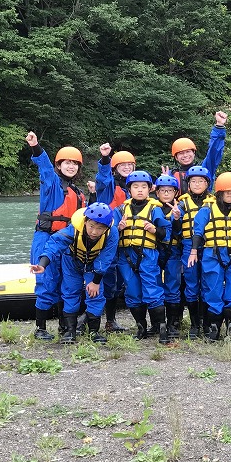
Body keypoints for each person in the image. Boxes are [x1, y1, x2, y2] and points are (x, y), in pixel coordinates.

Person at [25, 131, 86, 340]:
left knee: (67, 284)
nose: (71, 166)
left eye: (74, 163)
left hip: (68, 241)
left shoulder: (78, 192)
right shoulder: (52, 183)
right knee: (47, 282)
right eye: (66, 163)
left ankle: (64, 326)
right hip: (46, 238)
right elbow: (45, 168)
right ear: (59, 165)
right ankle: (40, 328)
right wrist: (36, 147)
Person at [29, 203, 119, 344]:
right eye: (91, 226)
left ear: (106, 228)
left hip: (93, 265)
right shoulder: (73, 229)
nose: (94, 232)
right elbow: (54, 245)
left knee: (96, 295)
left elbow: (106, 258)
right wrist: (43, 264)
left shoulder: (112, 233)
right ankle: (70, 331)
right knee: (70, 292)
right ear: (85, 222)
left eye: (100, 228)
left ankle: (94, 332)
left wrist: (95, 281)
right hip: (72, 262)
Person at [187, 172, 231, 340]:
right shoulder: (206, 209)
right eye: (225, 191)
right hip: (212, 254)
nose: (229, 194)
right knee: (213, 291)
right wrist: (193, 251)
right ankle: (213, 329)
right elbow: (198, 231)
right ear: (219, 192)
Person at [113, 170, 172, 343]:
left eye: (144, 187)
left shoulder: (155, 209)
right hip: (126, 255)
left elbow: (166, 233)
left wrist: (154, 230)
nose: (140, 190)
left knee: (152, 290)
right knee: (132, 291)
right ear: (129, 189)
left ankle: (161, 327)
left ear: (150, 189)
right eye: (136, 187)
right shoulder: (120, 210)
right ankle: (141, 327)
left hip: (147, 254)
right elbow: (109, 235)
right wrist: (118, 229)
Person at [94, 145, 136, 333]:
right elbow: (102, 179)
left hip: (127, 242)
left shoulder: (135, 189)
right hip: (109, 240)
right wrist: (105, 159)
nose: (127, 168)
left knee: (119, 283)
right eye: (122, 165)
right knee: (109, 281)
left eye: (130, 165)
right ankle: (101, 319)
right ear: (115, 167)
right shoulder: (109, 186)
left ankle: (111, 321)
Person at [176, 166, 216, 338]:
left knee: (207, 284)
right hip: (187, 245)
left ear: (207, 183)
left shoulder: (215, 201)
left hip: (208, 246)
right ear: (188, 184)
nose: (197, 184)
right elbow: (176, 229)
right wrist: (176, 218)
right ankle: (194, 325)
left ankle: (206, 323)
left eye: (201, 181)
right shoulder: (182, 203)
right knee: (191, 284)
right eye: (193, 181)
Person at [164, 111, 228, 195]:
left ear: (194, 153)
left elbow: (214, 152)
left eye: (188, 152)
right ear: (176, 157)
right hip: (178, 207)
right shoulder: (170, 175)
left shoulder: (204, 169)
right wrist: (163, 183)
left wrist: (219, 126)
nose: (185, 155)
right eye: (181, 153)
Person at [153, 174, 184, 338]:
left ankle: (173, 323)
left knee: (173, 286)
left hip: (173, 251)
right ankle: (157, 323)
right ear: (157, 193)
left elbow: (179, 231)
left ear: (175, 192)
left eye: (170, 191)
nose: (166, 194)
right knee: (155, 285)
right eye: (163, 191)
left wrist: (177, 218)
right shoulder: (153, 209)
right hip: (157, 251)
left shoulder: (178, 208)